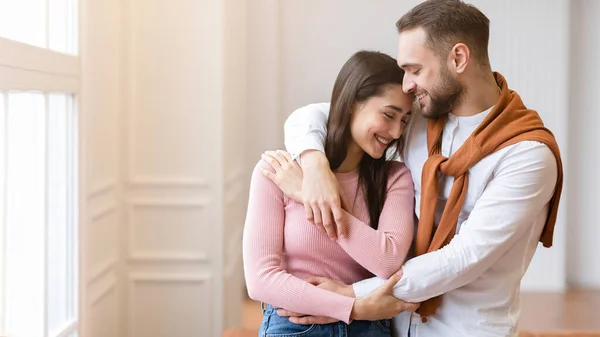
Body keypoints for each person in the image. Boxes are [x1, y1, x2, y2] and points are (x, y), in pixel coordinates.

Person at [270, 0, 564, 336]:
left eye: (415, 69)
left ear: (458, 58)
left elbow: (463, 257)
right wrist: (315, 164)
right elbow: (323, 114)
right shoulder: (419, 122)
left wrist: (352, 297)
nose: (407, 84)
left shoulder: (527, 156)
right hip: (391, 325)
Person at [242, 50, 420, 337]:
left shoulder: (395, 177)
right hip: (295, 325)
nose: (397, 132)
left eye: (405, 121)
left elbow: (387, 262)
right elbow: (261, 281)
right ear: (351, 104)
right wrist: (354, 307)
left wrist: (310, 197)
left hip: (370, 329)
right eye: (388, 115)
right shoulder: (277, 173)